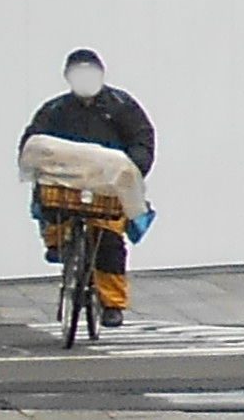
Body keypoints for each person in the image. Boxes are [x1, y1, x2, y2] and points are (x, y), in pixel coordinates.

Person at [19, 49, 156, 323]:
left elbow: (142, 139)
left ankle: (111, 304)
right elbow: (34, 140)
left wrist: (132, 170)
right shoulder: (55, 110)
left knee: (108, 241)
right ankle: (56, 243)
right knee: (50, 207)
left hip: (106, 186)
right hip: (65, 184)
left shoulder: (121, 106)